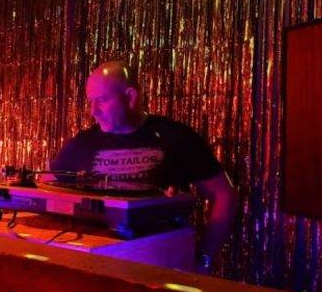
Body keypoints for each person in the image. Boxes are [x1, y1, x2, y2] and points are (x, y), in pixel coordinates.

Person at [48, 60, 239, 274]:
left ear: (131, 97)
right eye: (91, 101)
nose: (94, 111)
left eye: (102, 100)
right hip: (96, 271)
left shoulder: (175, 137)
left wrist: (203, 260)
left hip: (159, 268)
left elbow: (225, 195)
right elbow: (47, 187)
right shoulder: (82, 143)